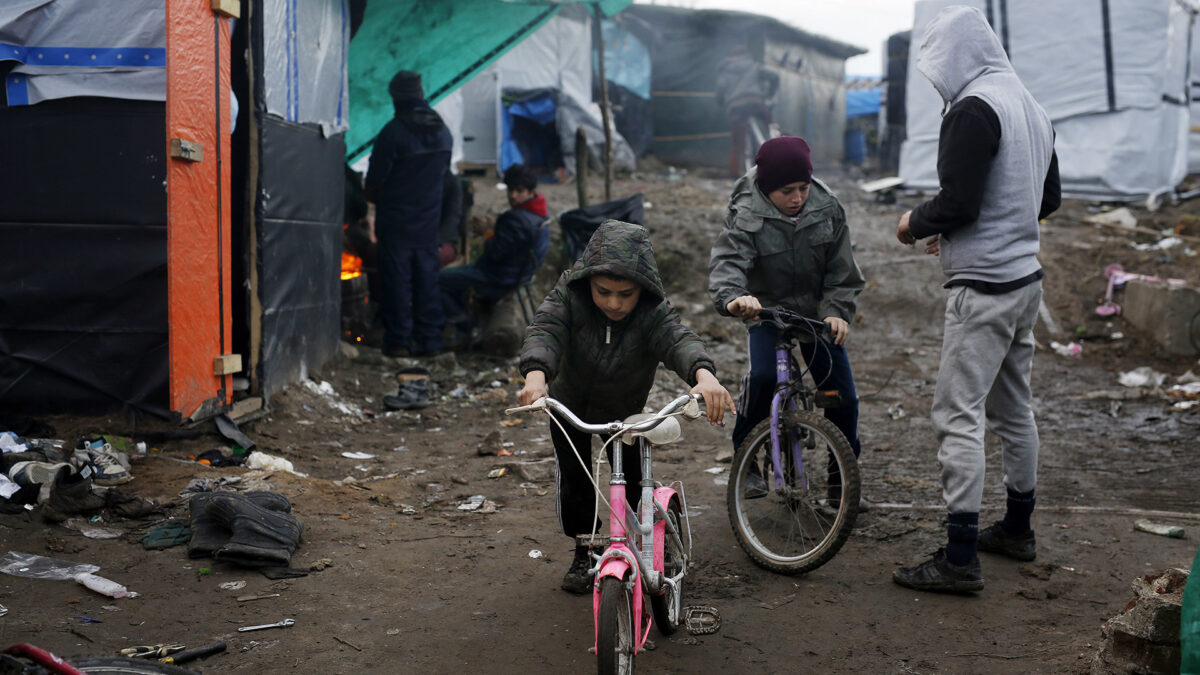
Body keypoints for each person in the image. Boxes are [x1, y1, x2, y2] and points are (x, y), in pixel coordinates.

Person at [891, 5, 1061, 594]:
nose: (939, 78)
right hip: (1024, 284)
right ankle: (1018, 527)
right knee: (1014, 409)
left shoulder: (972, 110)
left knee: (956, 414)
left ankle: (960, 557)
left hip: (984, 291)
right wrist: (991, 227)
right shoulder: (1030, 107)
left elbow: (959, 203)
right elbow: (1047, 198)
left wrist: (915, 222)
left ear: (957, 55)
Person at [518, 220, 736, 594]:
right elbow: (545, 330)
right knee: (577, 482)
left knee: (633, 481)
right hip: (568, 405)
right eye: (603, 291)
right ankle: (584, 549)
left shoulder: (653, 311)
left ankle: (647, 542)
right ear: (588, 281)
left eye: (625, 294)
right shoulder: (569, 295)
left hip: (624, 413)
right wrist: (536, 374)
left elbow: (678, 339)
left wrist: (704, 375)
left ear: (643, 290)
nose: (614, 303)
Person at [708, 136, 865, 502]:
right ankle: (747, 461)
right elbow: (728, 262)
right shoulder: (745, 211)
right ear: (766, 188)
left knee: (842, 395)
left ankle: (841, 481)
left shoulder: (828, 208)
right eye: (786, 191)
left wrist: (835, 313)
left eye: (803, 188)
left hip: (815, 314)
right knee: (763, 377)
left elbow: (842, 273)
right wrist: (734, 298)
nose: (797, 198)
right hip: (766, 310)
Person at [365, 70, 452, 357]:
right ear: (421, 94)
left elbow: (374, 182)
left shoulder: (393, 132)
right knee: (428, 281)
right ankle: (431, 341)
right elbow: (445, 179)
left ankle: (399, 342)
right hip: (428, 224)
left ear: (396, 97)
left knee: (397, 284)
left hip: (396, 224)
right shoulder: (443, 132)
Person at [439, 164, 550, 345]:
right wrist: (496, 231)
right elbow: (512, 245)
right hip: (521, 274)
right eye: (511, 190)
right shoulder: (540, 214)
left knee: (438, 279)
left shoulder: (516, 219)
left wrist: (488, 234)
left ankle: (464, 325)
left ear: (531, 191)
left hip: (500, 277)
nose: (513, 195)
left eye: (519, 191)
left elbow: (495, 255)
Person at [715, 45, 779, 178]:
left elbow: (720, 88)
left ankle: (734, 177)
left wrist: (721, 102)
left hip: (736, 107)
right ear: (746, 55)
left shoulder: (725, 70)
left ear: (732, 56)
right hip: (755, 102)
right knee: (771, 124)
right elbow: (774, 76)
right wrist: (769, 94)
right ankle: (779, 147)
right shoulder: (754, 65)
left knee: (737, 144)